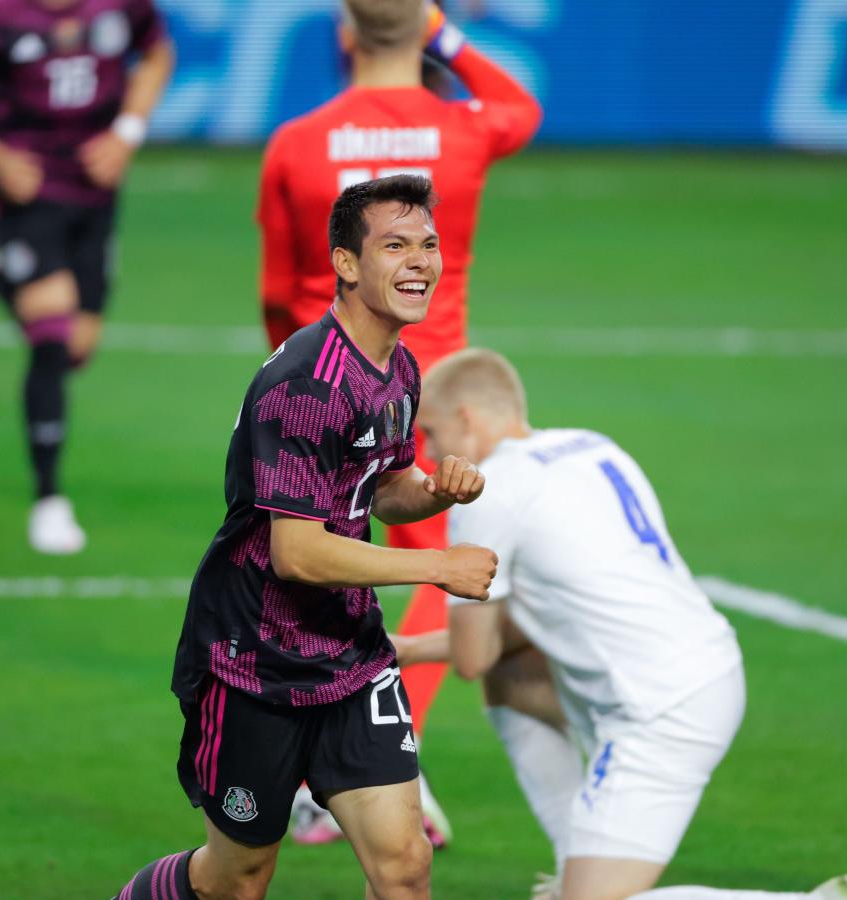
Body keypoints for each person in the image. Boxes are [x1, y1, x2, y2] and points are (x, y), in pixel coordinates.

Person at [114, 176, 498, 900]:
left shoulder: (398, 366)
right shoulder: (307, 386)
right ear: (347, 265)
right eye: (395, 246)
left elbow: (373, 491)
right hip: (255, 661)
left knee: (405, 866)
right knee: (237, 879)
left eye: (428, 245)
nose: (420, 262)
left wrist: (430, 490)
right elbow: (298, 551)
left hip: (350, 654)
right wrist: (436, 567)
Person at [393, 348, 846, 900]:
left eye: (432, 434)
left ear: (467, 417)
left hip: (658, 710)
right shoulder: (589, 446)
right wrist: (414, 651)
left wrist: (408, 643)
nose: (431, 455)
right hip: (705, 665)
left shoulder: (488, 490)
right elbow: (520, 634)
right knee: (513, 677)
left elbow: (471, 656)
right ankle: (575, 862)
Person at [257, 0, 542, 841]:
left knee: (310, 572)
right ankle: (372, 762)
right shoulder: (463, 129)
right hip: (423, 388)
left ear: (344, 38)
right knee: (445, 571)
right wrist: (441, 30)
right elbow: (522, 107)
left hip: (315, 378)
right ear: (419, 33)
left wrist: (301, 384)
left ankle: (330, 763)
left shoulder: (298, 141)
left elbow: (277, 289)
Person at [0, 0, 174, 553]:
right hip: (27, 191)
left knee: (77, 350)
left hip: (96, 193)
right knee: (50, 336)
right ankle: (48, 500)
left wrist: (126, 134)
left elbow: (159, 53)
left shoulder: (123, 6)